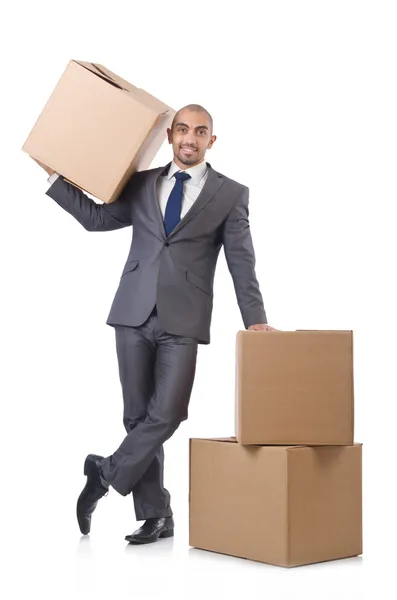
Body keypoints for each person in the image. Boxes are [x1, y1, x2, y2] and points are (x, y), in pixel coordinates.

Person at [34, 104, 276, 544]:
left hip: (184, 319)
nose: (190, 138)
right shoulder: (144, 183)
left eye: (200, 132)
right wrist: (54, 177)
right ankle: (156, 516)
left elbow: (242, 260)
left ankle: (103, 473)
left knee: (167, 413)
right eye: (182, 129)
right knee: (138, 417)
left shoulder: (230, 194)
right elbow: (97, 220)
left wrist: (255, 320)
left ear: (211, 141)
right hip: (132, 311)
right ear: (169, 135)